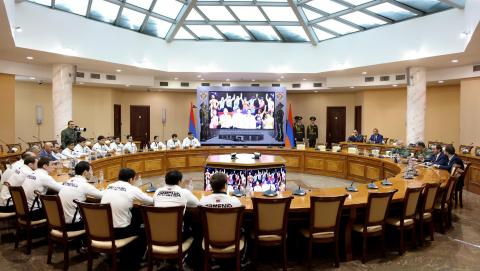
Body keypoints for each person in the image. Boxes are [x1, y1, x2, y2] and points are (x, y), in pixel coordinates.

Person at [101, 168, 153, 239]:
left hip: (105, 229)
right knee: (146, 230)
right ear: (131, 179)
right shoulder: (132, 189)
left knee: (135, 211)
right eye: (135, 179)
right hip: (121, 231)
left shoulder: (109, 186)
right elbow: (151, 201)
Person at [58, 161, 104, 230]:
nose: (92, 173)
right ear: (85, 172)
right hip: (74, 224)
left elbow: (93, 181)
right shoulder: (83, 185)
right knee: (100, 216)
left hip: (61, 222)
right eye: (91, 170)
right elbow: (102, 195)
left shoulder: (68, 181)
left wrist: (94, 180)